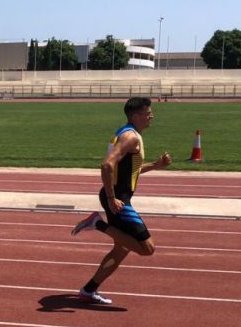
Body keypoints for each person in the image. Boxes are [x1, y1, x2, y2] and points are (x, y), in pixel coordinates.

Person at [71, 96, 172, 305]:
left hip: (116, 195)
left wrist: (156, 165)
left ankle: (88, 290)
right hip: (118, 199)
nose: (151, 116)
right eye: (148, 113)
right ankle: (96, 223)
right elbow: (107, 165)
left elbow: (128, 171)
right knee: (147, 249)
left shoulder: (125, 133)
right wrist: (111, 199)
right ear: (135, 116)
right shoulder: (131, 138)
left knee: (122, 248)